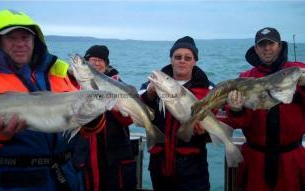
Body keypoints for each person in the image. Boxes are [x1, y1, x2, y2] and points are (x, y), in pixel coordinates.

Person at [0, 9, 105, 191]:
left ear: (35, 41)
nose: (20, 44)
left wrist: (93, 120)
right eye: (11, 38)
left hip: (65, 178)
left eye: (25, 37)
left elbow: (82, 128)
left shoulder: (58, 76)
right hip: (9, 182)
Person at [226, 27, 305, 191]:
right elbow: (239, 122)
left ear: (280, 46)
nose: (267, 48)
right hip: (255, 160)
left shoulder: (297, 71)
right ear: (256, 48)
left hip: (292, 158)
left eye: (271, 43)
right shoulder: (245, 78)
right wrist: (235, 110)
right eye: (262, 45)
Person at [140, 36, 212, 191]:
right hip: (159, 165)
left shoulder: (209, 90)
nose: (182, 61)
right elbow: (137, 114)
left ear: (195, 61)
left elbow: (215, 124)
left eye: (188, 58)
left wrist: (205, 133)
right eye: (177, 57)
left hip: (192, 167)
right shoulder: (151, 85)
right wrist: (149, 96)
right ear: (171, 59)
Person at [71, 45, 137, 191]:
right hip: (85, 154)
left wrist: (113, 106)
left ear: (107, 65)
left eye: (100, 60)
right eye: (92, 60)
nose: (96, 63)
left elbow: (130, 119)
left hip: (114, 154)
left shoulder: (119, 86)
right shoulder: (75, 86)